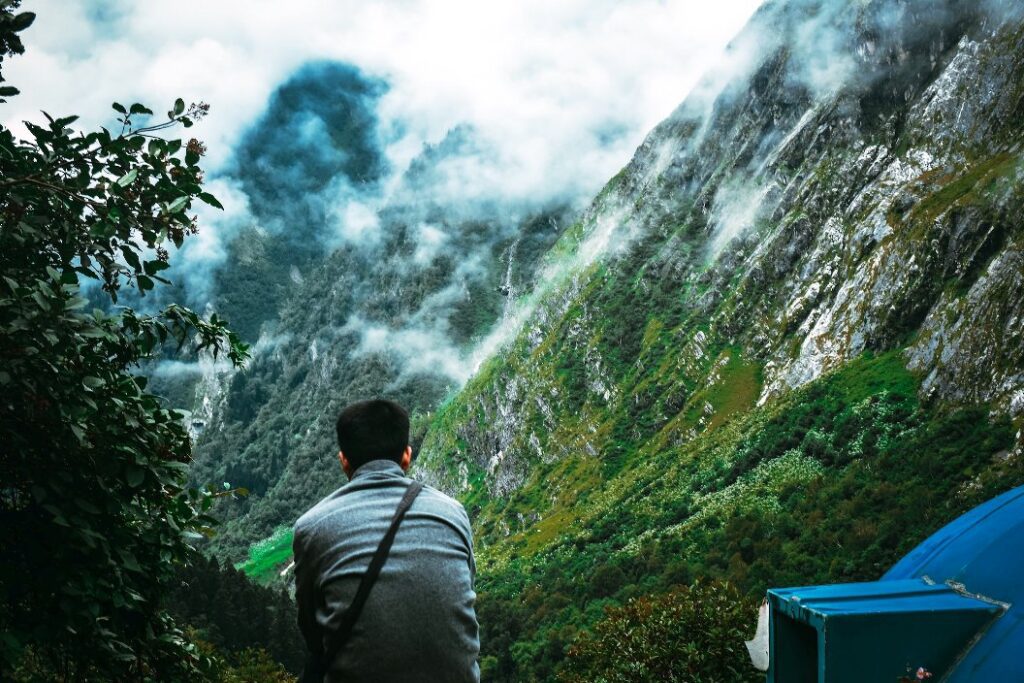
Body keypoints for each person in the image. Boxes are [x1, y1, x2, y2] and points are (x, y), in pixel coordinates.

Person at [292, 399, 480, 682]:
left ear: (344, 461)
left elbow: (312, 630)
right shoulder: (453, 513)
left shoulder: (311, 527)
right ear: (407, 456)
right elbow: (465, 594)